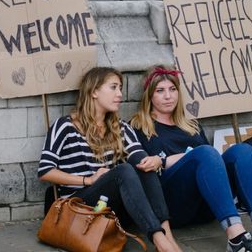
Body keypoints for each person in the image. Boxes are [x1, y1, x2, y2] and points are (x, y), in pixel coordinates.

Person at [130, 65, 252, 252]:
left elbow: (209, 162)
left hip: (207, 206)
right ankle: (236, 238)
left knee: (243, 150)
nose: (168, 96)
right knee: (205, 153)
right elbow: (143, 172)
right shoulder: (139, 126)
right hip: (173, 206)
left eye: (172, 89)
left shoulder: (190, 124)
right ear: (149, 95)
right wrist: (165, 161)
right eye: (160, 91)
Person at [37, 67, 182, 252]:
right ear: (94, 91)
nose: (120, 94)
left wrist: (151, 160)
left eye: (120, 88)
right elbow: (45, 170)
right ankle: (161, 242)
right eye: (113, 87)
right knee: (123, 171)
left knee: (144, 166)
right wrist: (88, 180)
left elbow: (138, 155)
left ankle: (167, 237)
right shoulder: (65, 126)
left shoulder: (120, 127)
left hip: (109, 206)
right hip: (77, 206)